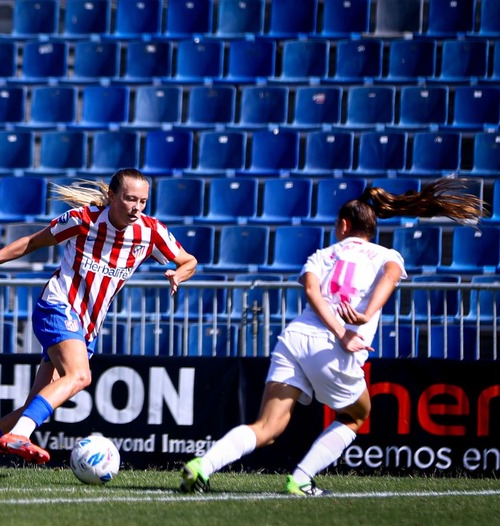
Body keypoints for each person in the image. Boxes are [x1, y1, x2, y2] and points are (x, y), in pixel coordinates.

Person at [179, 177, 485, 496]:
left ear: (343, 225)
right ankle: (301, 479)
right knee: (357, 414)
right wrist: (356, 322)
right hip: (333, 348)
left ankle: (202, 465)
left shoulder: (322, 255)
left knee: (267, 427)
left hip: (295, 338)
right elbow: (391, 278)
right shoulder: (387, 255)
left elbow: (312, 291)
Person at [0, 168, 198, 480]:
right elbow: (31, 242)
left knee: (33, 407)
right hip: (57, 307)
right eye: (130, 199)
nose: (136, 207)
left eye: (143, 201)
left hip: (86, 327)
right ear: (112, 196)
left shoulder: (151, 232)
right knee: (80, 376)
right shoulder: (83, 220)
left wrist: (178, 274)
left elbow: (189, 260)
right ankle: (20, 435)